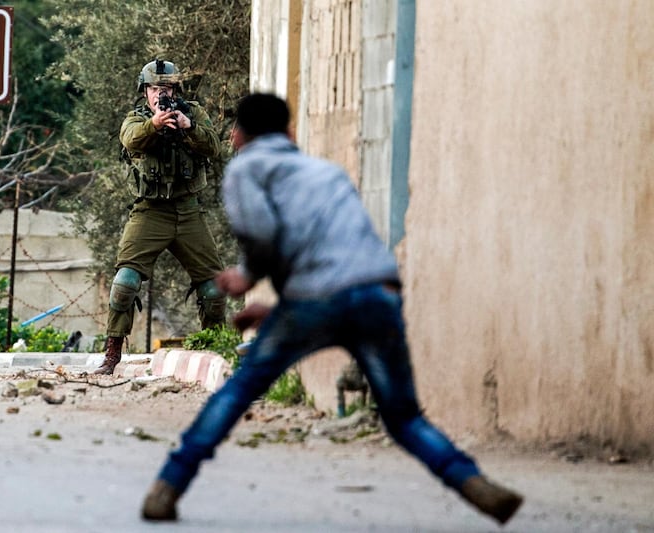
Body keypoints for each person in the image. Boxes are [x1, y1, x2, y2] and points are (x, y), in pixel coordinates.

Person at [140, 93, 524, 525]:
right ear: (290, 133)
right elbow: (339, 263)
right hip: (377, 294)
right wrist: (281, 309)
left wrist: (246, 278)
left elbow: (267, 236)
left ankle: (167, 486)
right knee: (403, 418)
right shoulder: (327, 173)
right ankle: (472, 482)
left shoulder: (245, 167)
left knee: (237, 393)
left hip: (313, 301)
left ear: (237, 136)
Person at [94, 59, 227, 375]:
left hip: (188, 210)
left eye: (166, 89)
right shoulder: (136, 119)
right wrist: (155, 124)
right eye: (155, 89)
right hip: (150, 211)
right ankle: (112, 353)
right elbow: (130, 139)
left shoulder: (193, 115)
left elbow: (215, 148)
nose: (161, 95)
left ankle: (214, 349)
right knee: (124, 283)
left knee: (214, 291)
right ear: (145, 92)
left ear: (176, 90)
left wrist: (188, 127)